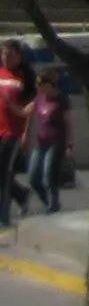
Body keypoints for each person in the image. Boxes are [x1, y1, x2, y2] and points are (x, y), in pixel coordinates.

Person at [24, 74, 70, 215]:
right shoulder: (39, 99)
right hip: (41, 142)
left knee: (48, 175)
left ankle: (53, 204)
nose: (37, 87)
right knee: (32, 177)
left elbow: (69, 124)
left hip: (56, 142)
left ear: (49, 84)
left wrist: (70, 145)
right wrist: (26, 133)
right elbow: (27, 114)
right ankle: (47, 201)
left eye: (39, 84)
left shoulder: (62, 100)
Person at [0, 44, 31, 223]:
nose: (5, 57)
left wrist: (26, 132)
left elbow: (29, 110)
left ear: (18, 56)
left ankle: (3, 216)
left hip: (12, 132)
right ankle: (21, 194)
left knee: (4, 172)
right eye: (3, 54)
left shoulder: (23, 78)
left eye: (9, 54)